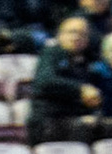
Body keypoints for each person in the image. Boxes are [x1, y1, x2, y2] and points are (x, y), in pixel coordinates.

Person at [28, 15, 107, 144]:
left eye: (82, 34)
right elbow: (45, 81)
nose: (76, 37)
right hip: (50, 120)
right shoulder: (51, 54)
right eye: (72, 32)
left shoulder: (90, 60)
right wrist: (80, 89)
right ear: (60, 35)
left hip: (77, 118)